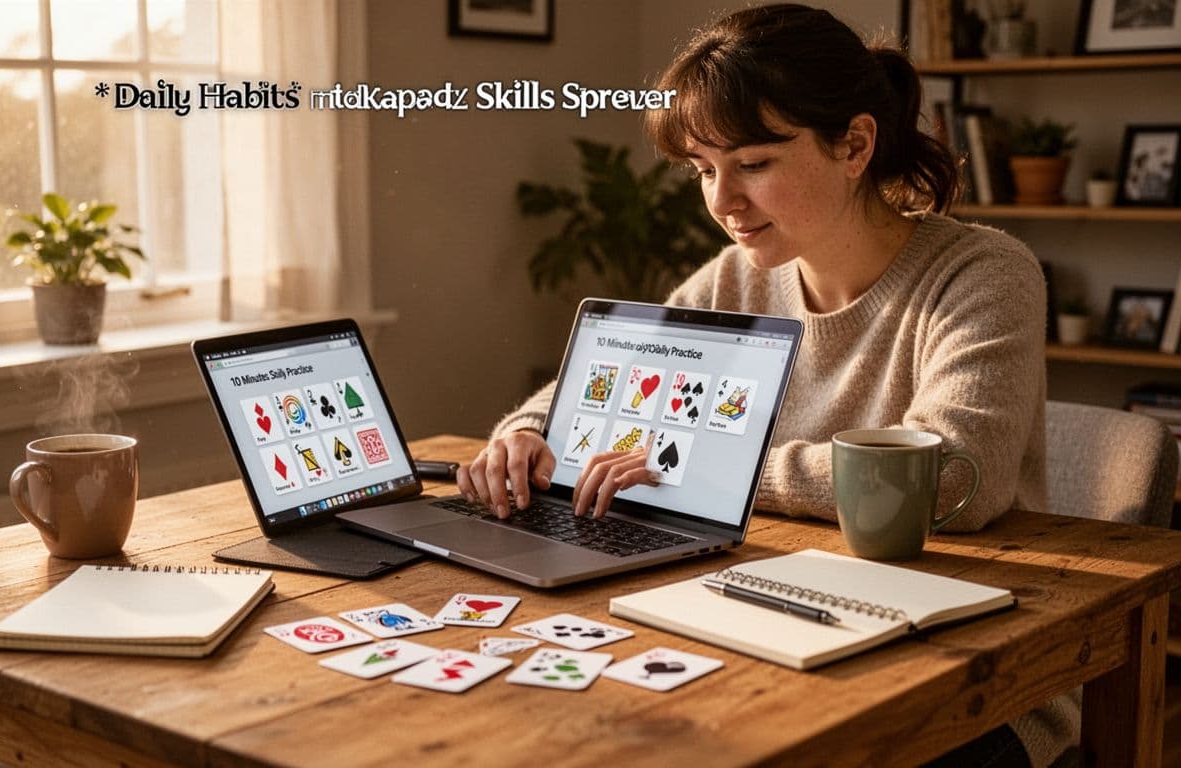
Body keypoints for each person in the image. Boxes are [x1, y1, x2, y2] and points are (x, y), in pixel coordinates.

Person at [458, 5, 1069, 767]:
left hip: (973, 672)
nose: (722, 202)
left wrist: (703, 469)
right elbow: (591, 390)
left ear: (855, 145)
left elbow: (951, 479)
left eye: (752, 164)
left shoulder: (983, 274)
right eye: (703, 170)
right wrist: (526, 434)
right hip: (773, 619)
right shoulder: (738, 277)